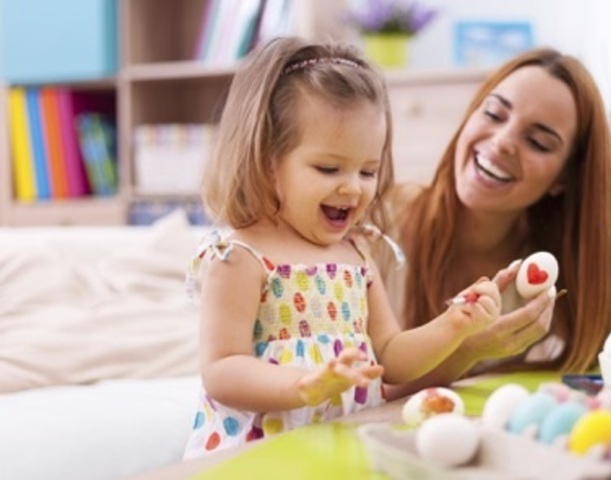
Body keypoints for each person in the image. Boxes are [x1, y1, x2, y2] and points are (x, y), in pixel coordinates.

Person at [182, 37, 501, 458]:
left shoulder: (357, 255)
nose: (353, 188)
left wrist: (454, 325)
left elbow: (391, 356)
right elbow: (222, 368)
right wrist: (303, 385)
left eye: (368, 171)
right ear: (266, 162)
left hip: (342, 447)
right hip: (263, 454)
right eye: (329, 168)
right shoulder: (241, 257)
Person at [372, 47, 611, 398]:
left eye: (537, 142)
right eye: (494, 113)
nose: (503, 142)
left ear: (564, 178)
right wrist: (468, 349)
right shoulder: (374, 225)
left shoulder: (549, 269)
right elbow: (360, 393)